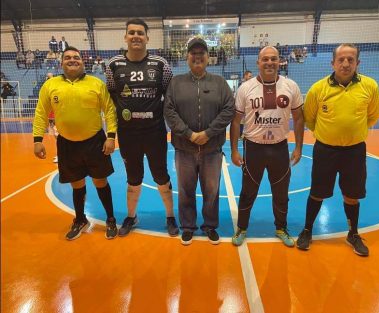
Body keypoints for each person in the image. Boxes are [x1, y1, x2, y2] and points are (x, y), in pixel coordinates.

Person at [296, 43, 379, 256]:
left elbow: (373, 116)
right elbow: (310, 118)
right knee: (317, 192)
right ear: (332, 62)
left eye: (350, 60)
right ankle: (307, 230)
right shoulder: (318, 88)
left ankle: (353, 233)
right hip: (325, 150)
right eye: (341, 60)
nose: (345, 64)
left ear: (357, 63)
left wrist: (352, 132)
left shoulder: (370, 87)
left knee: (352, 195)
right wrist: (327, 135)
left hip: (354, 151)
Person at [32, 47, 118, 241]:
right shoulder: (50, 85)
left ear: (82, 61)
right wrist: (38, 139)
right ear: (61, 62)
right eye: (68, 58)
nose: (72, 60)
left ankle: (111, 219)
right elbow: (41, 113)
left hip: (95, 142)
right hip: (67, 144)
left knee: (100, 182)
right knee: (76, 184)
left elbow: (110, 111)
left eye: (76, 57)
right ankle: (80, 219)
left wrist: (111, 137)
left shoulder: (96, 84)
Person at [105, 18, 179, 237]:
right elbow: (111, 96)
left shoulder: (160, 64)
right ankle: (131, 216)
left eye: (140, 33)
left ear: (147, 37)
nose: (135, 36)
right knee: (133, 178)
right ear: (125, 37)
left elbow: (170, 96)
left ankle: (170, 216)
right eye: (131, 32)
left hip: (155, 132)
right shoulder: (113, 65)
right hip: (128, 134)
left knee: (161, 176)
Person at [230, 46, 304, 247]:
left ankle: (281, 228)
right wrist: (235, 150)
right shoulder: (245, 88)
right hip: (253, 148)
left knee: (281, 194)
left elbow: (298, 118)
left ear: (280, 61)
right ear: (258, 63)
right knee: (247, 192)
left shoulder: (291, 86)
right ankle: (242, 228)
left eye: (274, 59)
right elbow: (235, 121)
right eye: (265, 59)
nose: (270, 62)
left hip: (279, 148)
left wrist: (298, 147)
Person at [164, 37, 235, 245]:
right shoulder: (176, 83)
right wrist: (189, 134)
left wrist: (208, 133)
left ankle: (210, 226)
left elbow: (229, 109)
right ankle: (188, 226)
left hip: (212, 150)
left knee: (211, 190)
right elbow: (169, 111)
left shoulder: (220, 83)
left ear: (208, 57)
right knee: (186, 190)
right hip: (184, 149)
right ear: (187, 57)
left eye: (201, 53)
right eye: (193, 53)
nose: (197, 56)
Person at [239, 70, 253, 139]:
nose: (251, 78)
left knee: (249, 121)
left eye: (251, 76)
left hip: (249, 107)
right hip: (242, 107)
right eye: (250, 76)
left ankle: (245, 134)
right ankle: (240, 134)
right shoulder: (242, 86)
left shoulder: (252, 86)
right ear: (245, 76)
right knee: (241, 121)